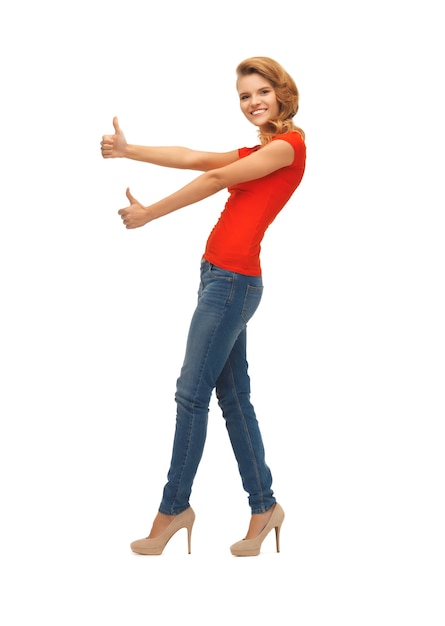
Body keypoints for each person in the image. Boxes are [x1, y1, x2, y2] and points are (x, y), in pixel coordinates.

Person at [101, 56, 306, 557]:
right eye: (243, 95)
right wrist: (131, 151)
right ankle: (265, 508)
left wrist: (150, 213)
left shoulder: (287, 147)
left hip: (232, 285)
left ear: (282, 92)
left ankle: (172, 511)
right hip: (218, 278)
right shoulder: (260, 148)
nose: (253, 101)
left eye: (261, 91)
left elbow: (215, 181)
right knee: (233, 400)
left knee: (190, 395)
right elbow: (198, 159)